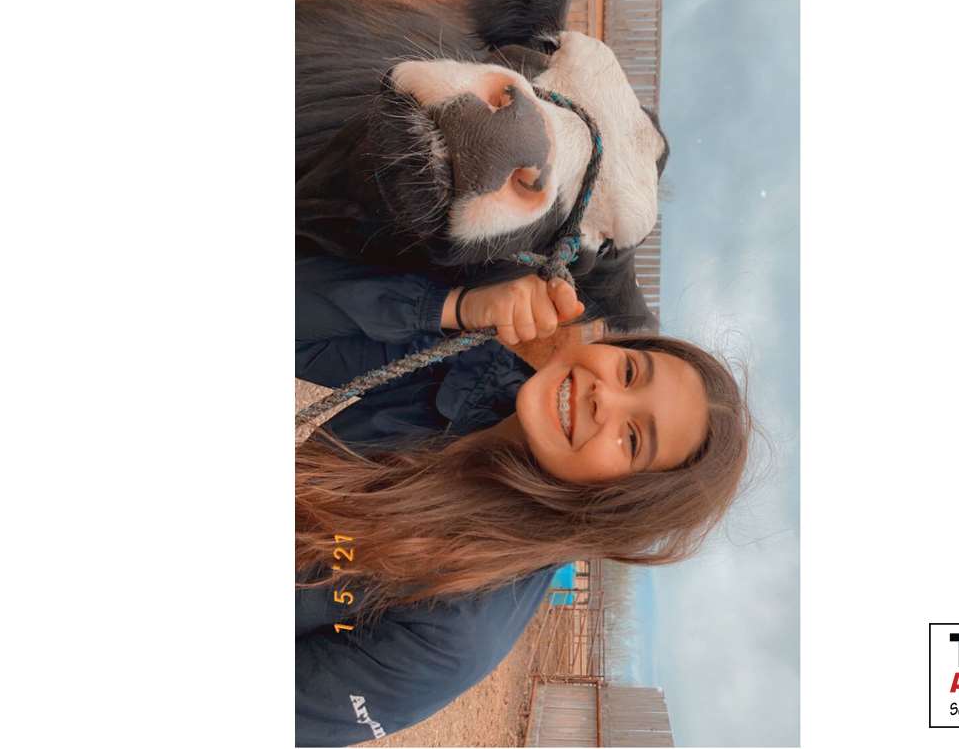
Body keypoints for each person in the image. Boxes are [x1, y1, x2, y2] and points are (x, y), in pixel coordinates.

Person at [295, 255, 749, 745]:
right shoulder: (469, 365)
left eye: (634, 439)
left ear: (619, 503)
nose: (605, 399)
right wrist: (452, 306)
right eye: (629, 371)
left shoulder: (458, 633)